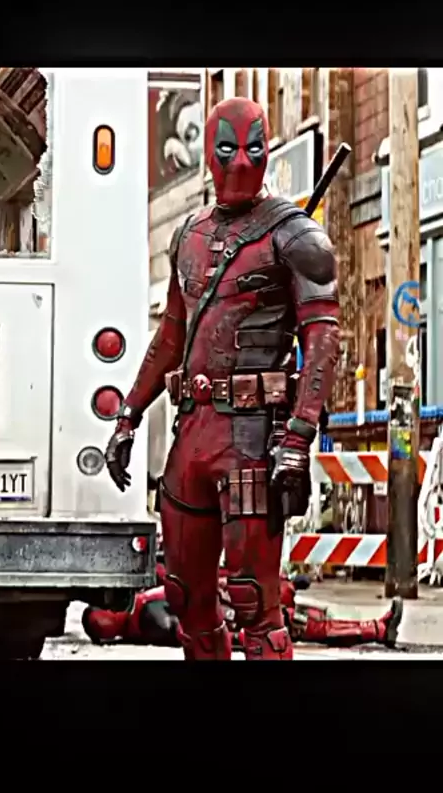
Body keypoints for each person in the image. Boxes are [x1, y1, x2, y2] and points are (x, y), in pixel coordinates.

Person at [104, 96, 340, 660]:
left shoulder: (297, 237)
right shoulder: (187, 234)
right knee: (185, 598)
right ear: (209, 154)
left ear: (268, 151)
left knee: (255, 604)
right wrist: (129, 414)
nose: (240, 162)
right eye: (228, 149)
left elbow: (323, 340)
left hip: (252, 441)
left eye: (253, 149)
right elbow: (171, 336)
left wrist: (299, 436)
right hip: (193, 433)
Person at [82, 568, 403, 651]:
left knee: (305, 620)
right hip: (235, 617)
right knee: (303, 624)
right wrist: (237, 633)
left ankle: (375, 628)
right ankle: (375, 629)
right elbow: (190, 627)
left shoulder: (142, 606)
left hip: (232, 609)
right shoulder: (150, 617)